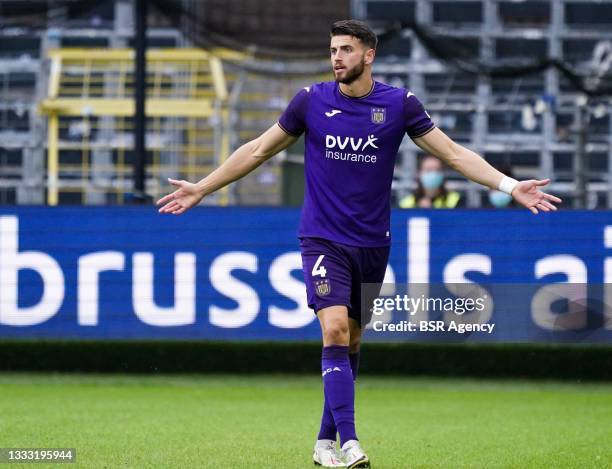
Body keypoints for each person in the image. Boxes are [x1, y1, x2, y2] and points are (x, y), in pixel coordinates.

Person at [157, 19, 561, 468]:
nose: (336, 58)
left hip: (372, 244)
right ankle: (350, 443)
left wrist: (509, 186)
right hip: (322, 239)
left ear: (368, 55)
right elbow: (257, 151)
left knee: (350, 341)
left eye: (346, 49)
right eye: (332, 50)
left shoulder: (399, 104)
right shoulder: (310, 101)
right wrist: (203, 187)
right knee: (332, 329)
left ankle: (323, 443)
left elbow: (453, 154)